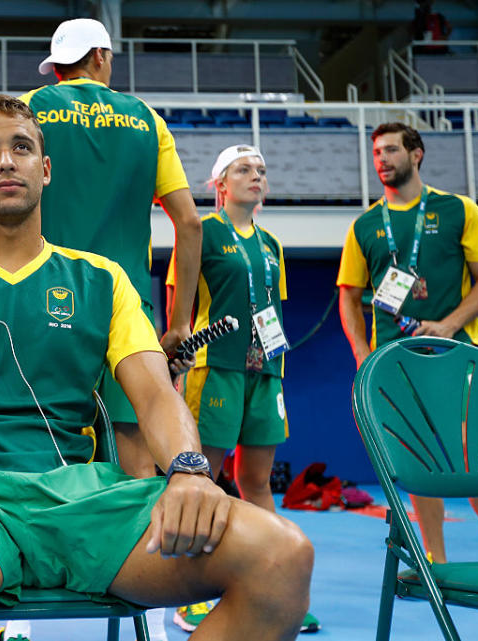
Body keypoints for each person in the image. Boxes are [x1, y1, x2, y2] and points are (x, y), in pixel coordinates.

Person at [0, 93, 313, 641]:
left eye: (21, 147)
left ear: (45, 170)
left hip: (90, 502)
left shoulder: (101, 278)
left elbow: (157, 395)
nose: (6, 161)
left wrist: (188, 469)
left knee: (283, 554)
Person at [18, 22, 202, 638]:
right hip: (126, 309)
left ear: (67, 64)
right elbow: (189, 223)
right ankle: (147, 605)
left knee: (35, 453)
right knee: (136, 462)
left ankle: (16, 620)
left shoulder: (33, 109)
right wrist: (178, 323)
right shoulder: (148, 120)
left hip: (44, 302)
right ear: (103, 57)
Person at [338, 121, 478, 565]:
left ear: (417, 154)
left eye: (391, 150)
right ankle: (435, 561)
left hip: (459, 355)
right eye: (376, 153)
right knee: (418, 459)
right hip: (394, 363)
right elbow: (349, 297)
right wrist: (362, 355)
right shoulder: (364, 225)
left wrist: (449, 324)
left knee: (474, 457)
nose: (382, 160)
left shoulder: (460, 210)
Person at [164, 145, 317, 633]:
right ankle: (186, 593)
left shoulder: (271, 244)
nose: (256, 176)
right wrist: (177, 349)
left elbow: (271, 309)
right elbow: (178, 300)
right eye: (244, 170)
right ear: (219, 185)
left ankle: (277, 590)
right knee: (203, 481)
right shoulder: (202, 232)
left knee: (256, 481)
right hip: (217, 367)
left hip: (266, 368)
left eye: (262, 171)